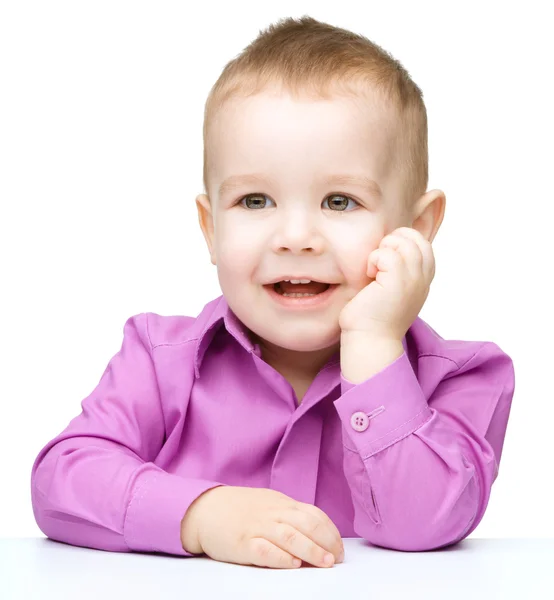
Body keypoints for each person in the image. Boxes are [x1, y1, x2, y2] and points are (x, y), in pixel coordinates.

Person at [30, 15, 515, 570]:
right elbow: (60, 481)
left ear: (419, 227)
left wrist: (376, 344)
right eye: (256, 201)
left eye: (340, 201)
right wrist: (201, 515)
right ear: (211, 229)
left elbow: (423, 523)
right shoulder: (158, 358)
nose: (295, 238)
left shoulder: (463, 379)